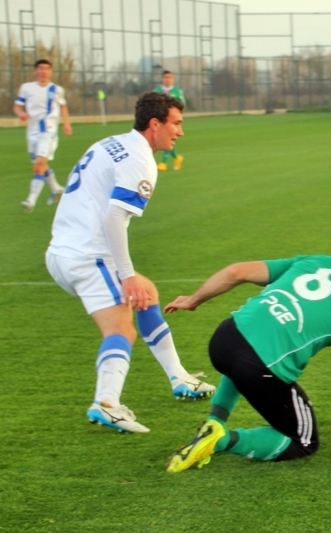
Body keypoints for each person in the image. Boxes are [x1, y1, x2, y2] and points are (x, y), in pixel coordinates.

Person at [45, 92, 215, 434]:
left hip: (62, 251)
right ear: (155, 124)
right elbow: (113, 219)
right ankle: (106, 403)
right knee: (121, 330)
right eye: (176, 124)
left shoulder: (111, 142)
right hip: (88, 256)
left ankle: (179, 377)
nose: (180, 132)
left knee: (146, 294)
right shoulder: (141, 161)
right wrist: (126, 275)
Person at [164, 239, 331, 472]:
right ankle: (220, 440)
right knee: (304, 442)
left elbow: (236, 271)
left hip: (224, 339)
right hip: (258, 368)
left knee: (247, 347)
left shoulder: (318, 260)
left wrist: (192, 300)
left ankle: (214, 422)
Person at [13, 59, 72, 212]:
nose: (43, 72)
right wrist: (21, 113)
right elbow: (17, 106)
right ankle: (56, 188)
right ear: (35, 71)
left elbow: (63, 106)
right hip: (32, 132)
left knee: (39, 165)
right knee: (40, 165)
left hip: (48, 131)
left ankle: (31, 200)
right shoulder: (26, 88)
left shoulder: (56, 89)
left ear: (50, 72)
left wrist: (66, 124)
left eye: (46, 69)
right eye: (40, 68)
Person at [154, 71, 186, 171]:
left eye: (169, 77)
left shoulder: (177, 92)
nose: (167, 79)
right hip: (160, 119)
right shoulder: (157, 91)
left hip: (172, 120)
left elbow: (182, 104)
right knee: (164, 138)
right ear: (162, 79)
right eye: (165, 77)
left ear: (173, 79)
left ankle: (163, 163)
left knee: (168, 138)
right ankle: (177, 157)